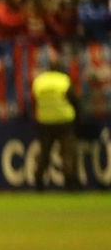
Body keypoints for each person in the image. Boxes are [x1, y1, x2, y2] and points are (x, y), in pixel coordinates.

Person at [31, 62, 81, 191]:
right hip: (64, 121)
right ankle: (70, 182)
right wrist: (78, 115)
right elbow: (74, 99)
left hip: (45, 121)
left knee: (44, 153)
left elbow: (33, 101)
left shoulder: (39, 81)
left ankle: (38, 182)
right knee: (67, 152)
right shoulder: (63, 80)